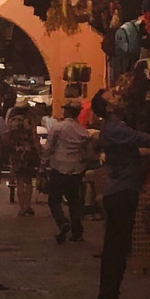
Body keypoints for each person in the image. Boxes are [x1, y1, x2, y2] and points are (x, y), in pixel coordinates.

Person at [92, 90, 150, 299]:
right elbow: (148, 139)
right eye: (112, 96)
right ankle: (109, 296)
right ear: (108, 108)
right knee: (116, 248)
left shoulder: (115, 128)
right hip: (122, 191)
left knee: (115, 246)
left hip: (119, 190)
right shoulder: (116, 128)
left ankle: (108, 294)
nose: (119, 95)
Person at [43, 98, 97, 243]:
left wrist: (44, 162)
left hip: (59, 167)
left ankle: (62, 222)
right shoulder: (83, 132)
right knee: (74, 201)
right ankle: (77, 231)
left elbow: (48, 148)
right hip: (76, 170)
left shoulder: (58, 128)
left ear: (66, 111)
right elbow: (88, 154)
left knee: (54, 199)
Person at [3, 101, 41, 218]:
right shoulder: (30, 121)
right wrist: (39, 151)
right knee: (28, 180)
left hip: (16, 152)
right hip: (29, 152)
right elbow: (34, 136)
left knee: (19, 180)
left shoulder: (11, 121)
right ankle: (28, 205)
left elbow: (8, 137)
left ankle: (22, 207)